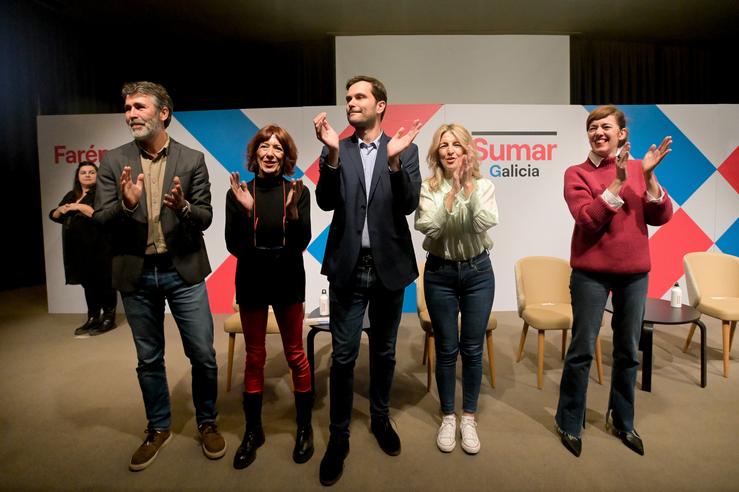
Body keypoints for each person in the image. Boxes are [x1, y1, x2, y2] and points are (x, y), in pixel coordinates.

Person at [94, 81, 225, 471]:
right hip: (135, 273)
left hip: (181, 270)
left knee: (202, 354)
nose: (131, 114)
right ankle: (158, 427)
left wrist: (184, 207)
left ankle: (207, 420)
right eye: (128, 108)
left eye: (139, 107)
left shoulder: (192, 159)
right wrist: (124, 204)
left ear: (163, 112)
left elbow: (205, 217)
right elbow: (100, 220)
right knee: (149, 358)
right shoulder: (113, 161)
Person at [312, 75, 422, 486]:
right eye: (348, 98)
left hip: (389, 265)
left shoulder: (404, 150)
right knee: (342, 355)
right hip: (347, 266)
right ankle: (338, 436)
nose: (350, 103)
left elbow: (409, 204)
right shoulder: (337, 150)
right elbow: (325, 201)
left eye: (359, 97)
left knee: (385, 350)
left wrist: (394, 161)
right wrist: (330, 154)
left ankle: (380, 419)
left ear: (381, 106)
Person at [554, 105, 673, 457]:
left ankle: (621, 420)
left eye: (605, 126)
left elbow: (661, 215)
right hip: (590, 273)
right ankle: (569, 420)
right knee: (582, 350)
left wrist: (648, 177)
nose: (598, 132)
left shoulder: (640, 168)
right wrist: (619, 181)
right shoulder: (576, 173)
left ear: (622, 134)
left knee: (627, 351)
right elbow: (589, 220)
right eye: (592, 127)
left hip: (634, 274)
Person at [225, 124, 313, 469]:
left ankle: (304, 428)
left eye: (278, 147)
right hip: (251, 281)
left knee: (295, 354)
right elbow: (237, 245)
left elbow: (298, 244)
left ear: (285, 155)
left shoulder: (298, 191)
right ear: (255, 153)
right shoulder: (238, 191)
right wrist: (250, 213)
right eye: (265, 146)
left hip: (288, 280)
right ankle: (253, 431)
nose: (270, 152)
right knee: (255, 357)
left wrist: (285, 217)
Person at [414, 124, 498, 455]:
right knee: (447, 349)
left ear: (467, 152)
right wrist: (450, 196)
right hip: (440, 273)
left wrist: (467, 189)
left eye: (456, 145)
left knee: (472, 349)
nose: (450, 150)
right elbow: (430, 226)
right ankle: (448, 416)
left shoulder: (485, 186)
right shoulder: (427, 188)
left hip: (478, 273)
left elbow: (481, 222)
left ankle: (469, 417)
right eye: (443, 145)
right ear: (437, 153)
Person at [50, 161, 117, 337]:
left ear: (97, 175)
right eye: (83, 172)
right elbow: (54, 215)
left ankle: (109, 317)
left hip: (100, 246)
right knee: (88, 284)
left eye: (91, 172)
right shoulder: (72, 194)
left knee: (104, 282)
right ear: (77, 176)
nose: (87, 175)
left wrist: (78, 207)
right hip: (78, 250)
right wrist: (61, 208)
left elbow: (101, 215)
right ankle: (93, 317)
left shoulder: (102, 193)